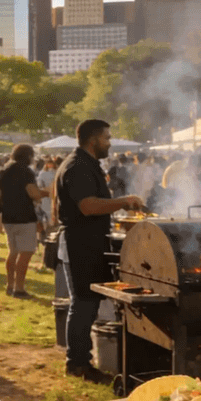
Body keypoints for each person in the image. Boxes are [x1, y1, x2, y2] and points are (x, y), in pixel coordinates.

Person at [55, 119, 145, 384]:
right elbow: (87, 206)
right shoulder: (78, 166)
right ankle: (78, 363)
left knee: (87, 303)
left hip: (89, 242)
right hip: (79, 244)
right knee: (83, 304)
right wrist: (124, 202)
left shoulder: (86, 164)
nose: (110, 142)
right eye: (107, 138)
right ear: (93, 140)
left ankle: (80, 359)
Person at [0, 144, 49, 299]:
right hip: (24, 216)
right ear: (28, 156)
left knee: (13, 252)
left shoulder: (3, 170)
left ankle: (10, 285)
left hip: (7, 216)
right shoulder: (26, 171)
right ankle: (19, 288)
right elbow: (33, 193)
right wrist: (48, 192)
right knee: (26, 253)